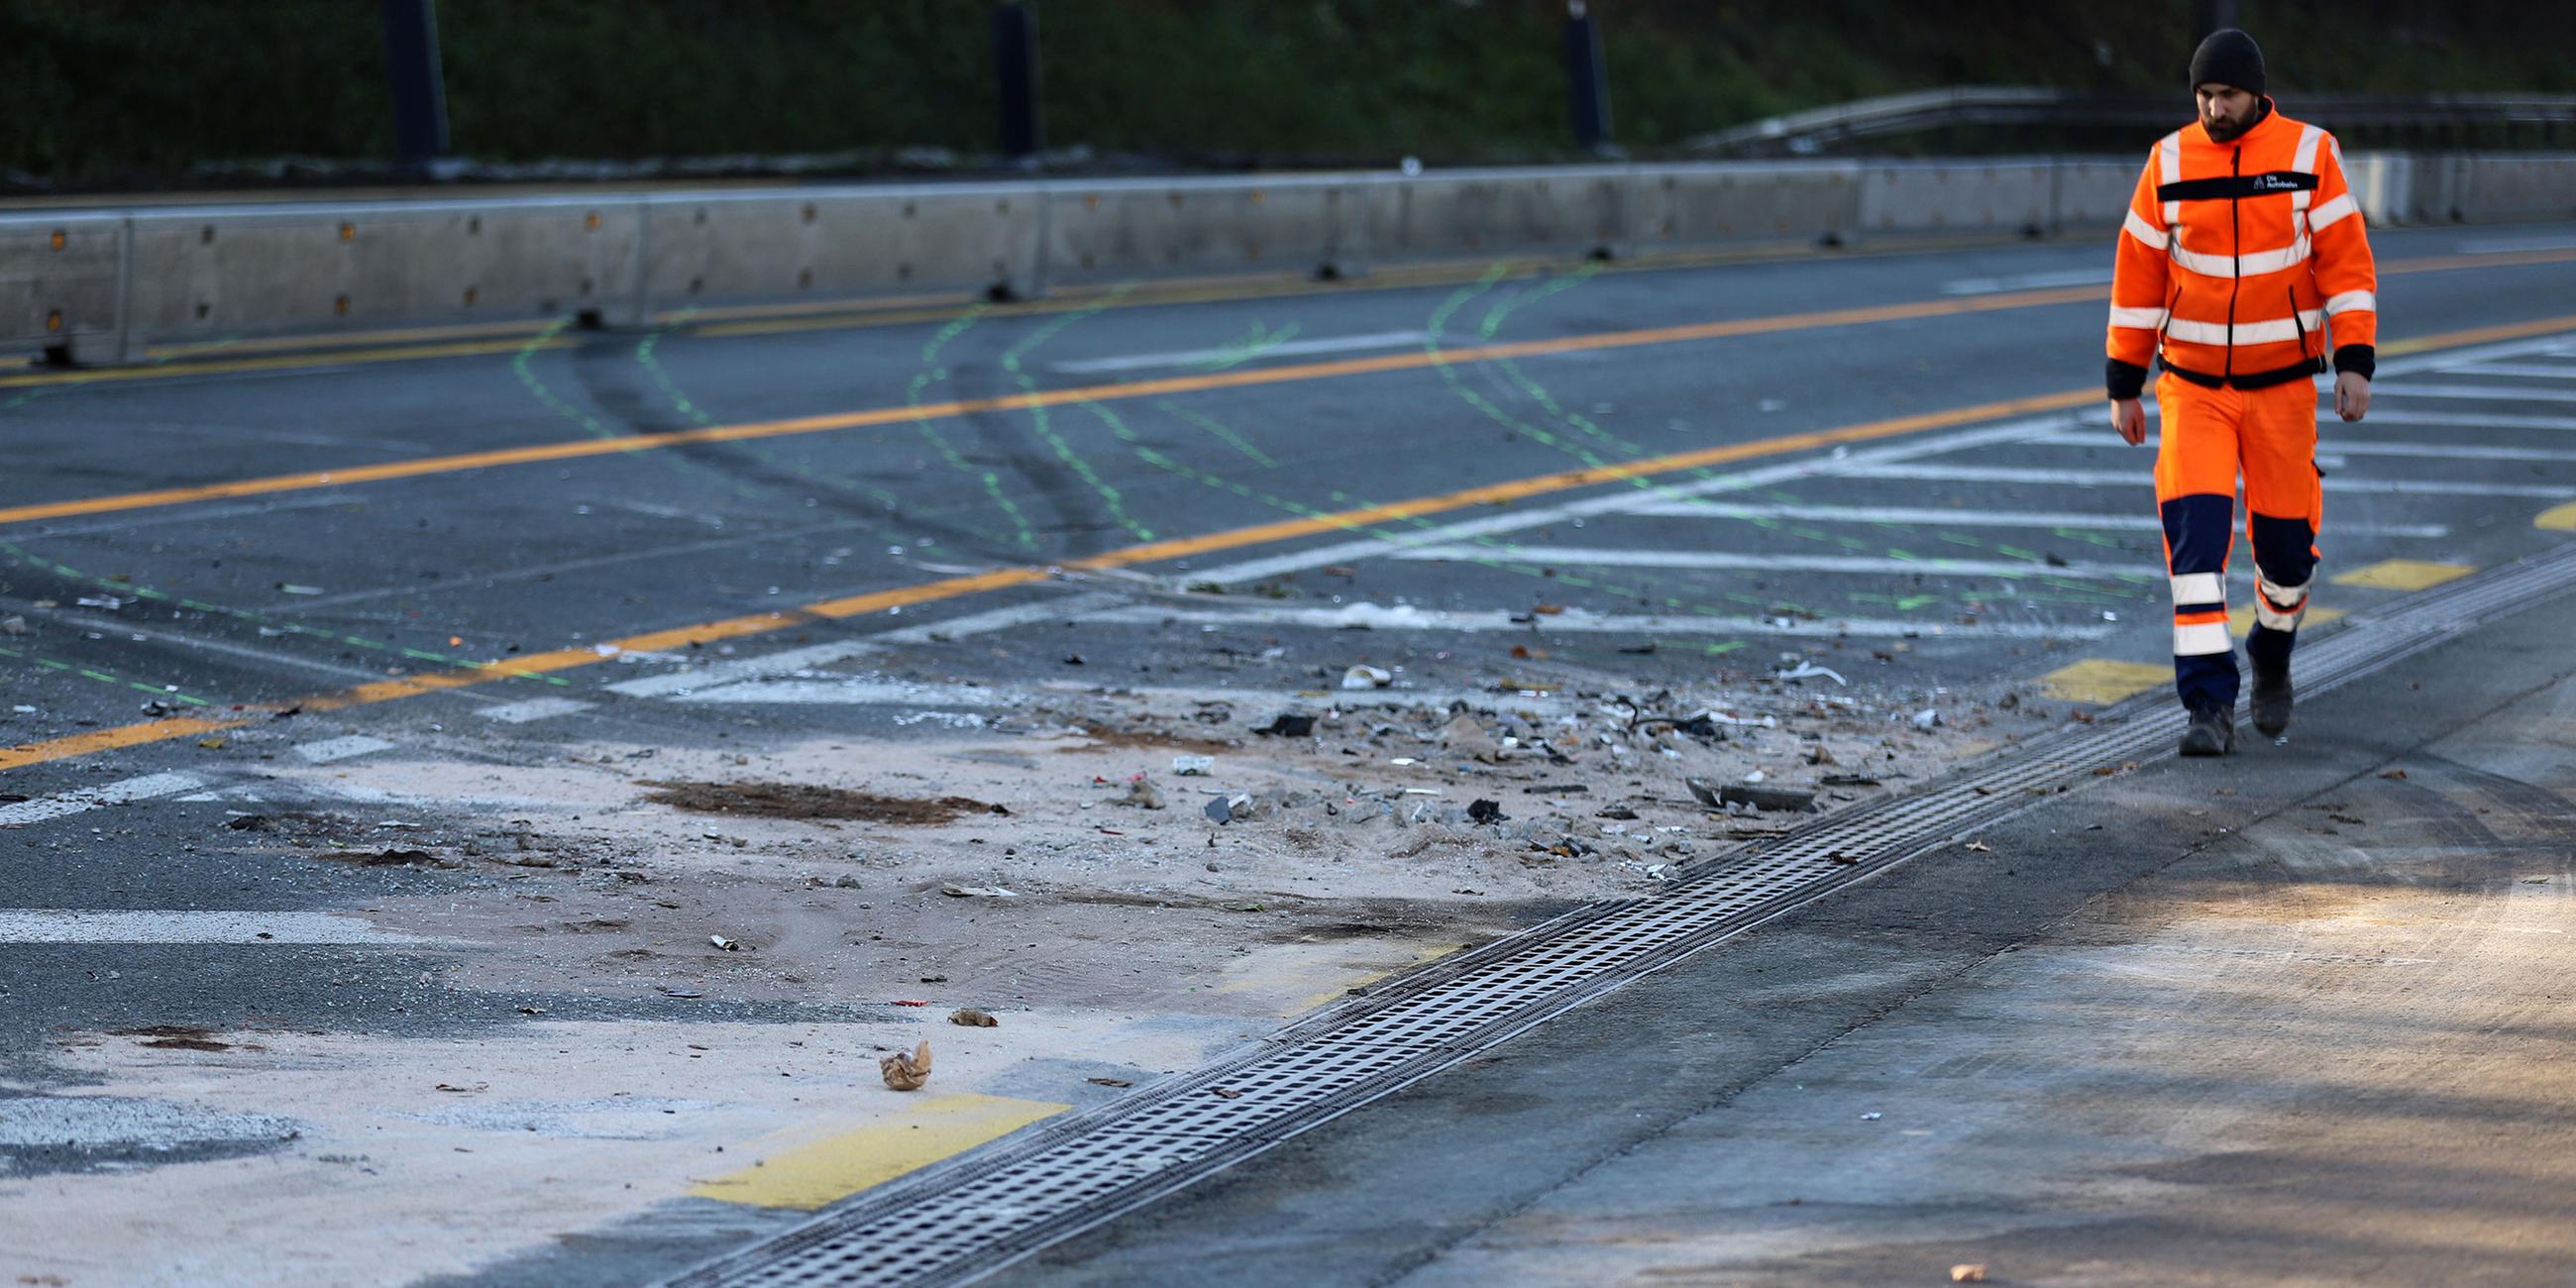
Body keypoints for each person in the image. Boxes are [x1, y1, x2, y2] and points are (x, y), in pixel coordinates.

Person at [2106, 28, 2379, 757]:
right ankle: (2207, 706)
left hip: (2283, 388)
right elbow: (2138, 281)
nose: (2213, 107)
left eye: (2225, 94)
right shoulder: (2167, 162)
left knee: (2286, 554)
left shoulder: (2308, 154)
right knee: (2195, 547)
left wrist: (2354, 360)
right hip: (2191, 387)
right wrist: (2124, 382)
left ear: (2256, 92)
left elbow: (2346, 266)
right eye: (2202, 95)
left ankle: (2273, 647)